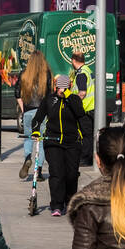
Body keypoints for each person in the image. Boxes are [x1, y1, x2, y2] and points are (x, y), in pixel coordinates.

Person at [31, 74, 87, 216]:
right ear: (56, 87)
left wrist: (68, 95)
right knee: (57, 173)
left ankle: (70, 202)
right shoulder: (49, 100)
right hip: (53, 141)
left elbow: (80, 114)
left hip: (72, 142)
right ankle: (56, 204)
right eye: (60, 87)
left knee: (71, 174)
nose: (62, 90)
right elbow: (38, 118)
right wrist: (36, 131)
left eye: (65, 87)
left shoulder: (74, 99)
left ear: (69, 86)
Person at [16, 50, 53, 181]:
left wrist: (24, 109)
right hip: (42, 113)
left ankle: (27, 158)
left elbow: (17, 94)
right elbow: (50, 96)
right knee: (41, 142)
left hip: (28, 111)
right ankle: (39, 171)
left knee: (28, 138)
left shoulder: (24, 74)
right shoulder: (46, 74)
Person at [69, 51, 95, 167]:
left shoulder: (80, 74)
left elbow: (82, 93)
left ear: (73, 61)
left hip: (85, 108)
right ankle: (89, 157)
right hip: (92, 107)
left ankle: (85, 158)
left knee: (86, 135)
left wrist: (74, 103)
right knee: (90, 135)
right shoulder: (88, 70)